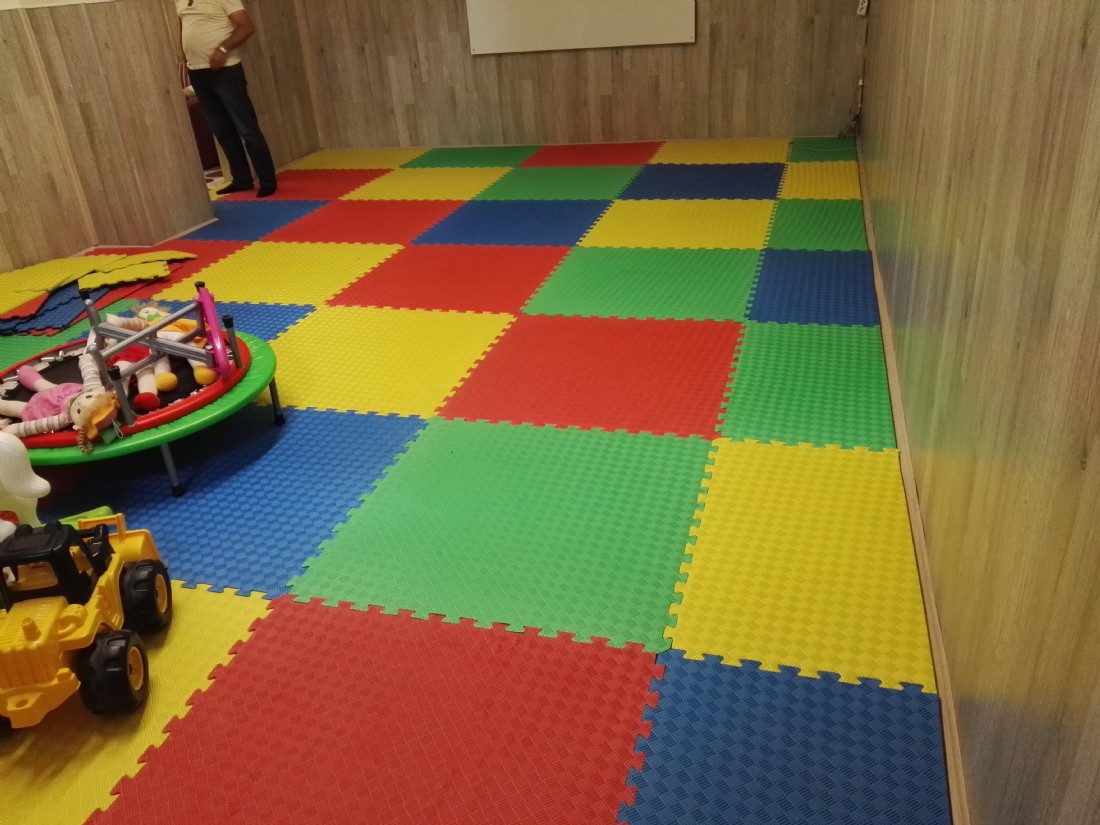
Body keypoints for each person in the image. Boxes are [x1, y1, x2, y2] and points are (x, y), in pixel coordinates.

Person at [177, 0, 277, 198]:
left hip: (226, 71)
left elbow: (246, 27)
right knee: (222, 130)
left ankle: (267, 180)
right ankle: (242, 179)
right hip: (197, 72)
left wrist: (222, 50)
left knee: (247, 129)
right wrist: (187, 62)